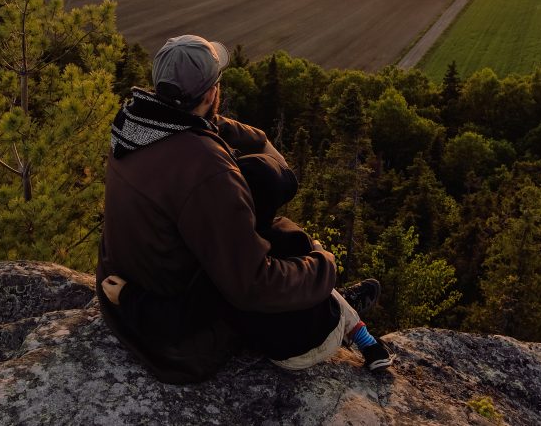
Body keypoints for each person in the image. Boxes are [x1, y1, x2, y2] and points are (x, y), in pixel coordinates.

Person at [96, 34, 393, 383]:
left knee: (265, 237)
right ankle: (341, 309)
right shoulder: (209, 171)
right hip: (177, 343)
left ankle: (337, 302)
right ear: (211, 93)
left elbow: (211, 128)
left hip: (128, 305)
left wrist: (253, 138)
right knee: (285, 250)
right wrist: (324, 264)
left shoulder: (135, 124)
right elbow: (252, 285)